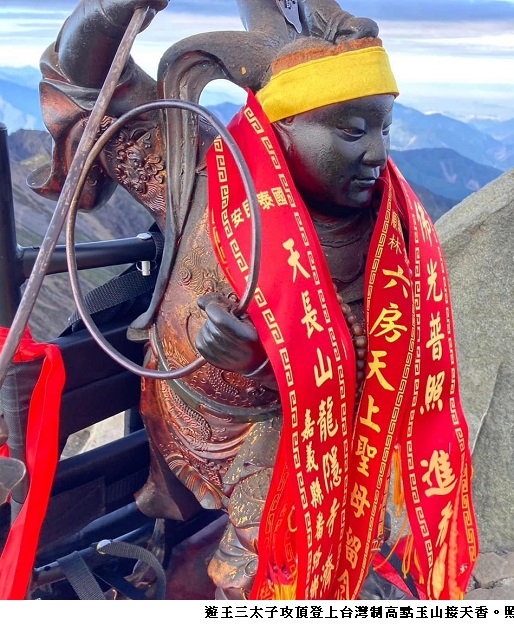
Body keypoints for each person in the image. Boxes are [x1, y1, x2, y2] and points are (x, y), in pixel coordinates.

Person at [32, 0, 478, 600]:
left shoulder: (388, 230)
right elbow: (87, 83)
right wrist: (113, 10)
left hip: (310, 418)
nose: (378, 154)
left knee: (322, 526)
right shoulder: (199, 174)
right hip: (210, 415)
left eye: (383, 128)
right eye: (352, 131)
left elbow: (385, 362)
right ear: (282, 129)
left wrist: (264, 361)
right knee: (279, 537)